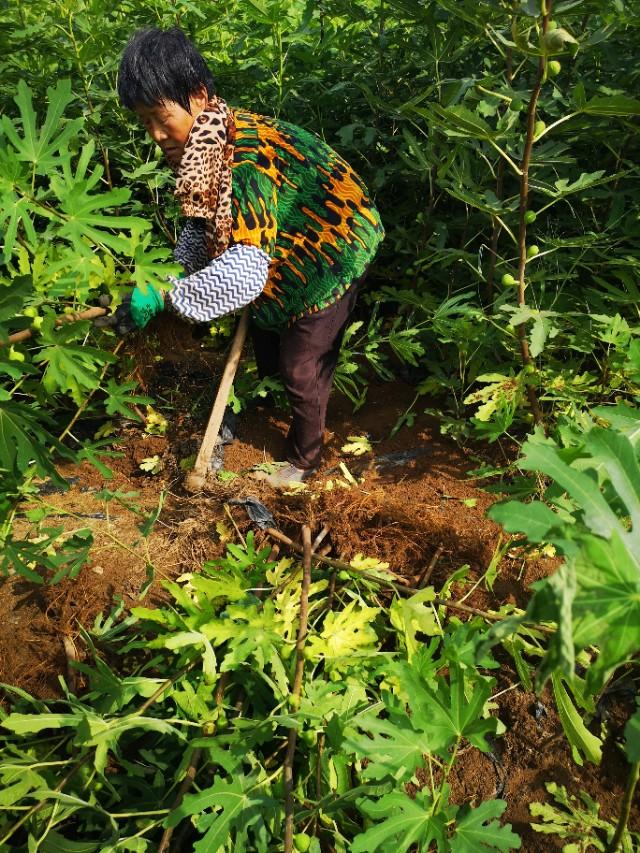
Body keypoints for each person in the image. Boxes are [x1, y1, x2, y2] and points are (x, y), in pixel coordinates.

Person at [114, 27, 384, 486]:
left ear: (197, 96)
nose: (156, 134)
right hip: (279, 246)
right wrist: (170, 274)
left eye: (160, 116)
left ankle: (304, 459)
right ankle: (272, 407)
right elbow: (203, 227)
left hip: (333, 250)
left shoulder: (245, 160)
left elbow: (242, 275)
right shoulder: (204, 150)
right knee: (266, 337)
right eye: (144, 122)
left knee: (301, 363)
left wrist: (168, 296)